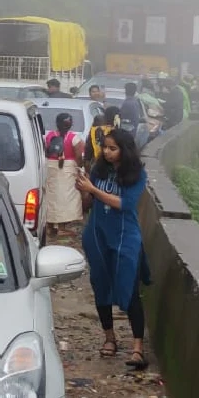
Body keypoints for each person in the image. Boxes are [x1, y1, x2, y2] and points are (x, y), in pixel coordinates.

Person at [76, 128, 150, 370]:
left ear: (124, 150)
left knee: (129, 290)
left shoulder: (137, 175)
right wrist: (84, 190)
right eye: (105, 147)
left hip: (125, 238)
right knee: (101, 286)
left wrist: (94, 190)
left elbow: (124, 204)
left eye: (112, 148)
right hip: (98, 235)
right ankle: (110, 338)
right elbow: (89, 204)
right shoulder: (99, 170)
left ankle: (137, 348)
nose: (106, 152)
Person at [43, 112, 83, 237]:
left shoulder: (49, 136)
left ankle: (50, 226)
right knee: (65, 198)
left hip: (50, 168)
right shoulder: (74, 138)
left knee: (51, 196)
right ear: (70, 124)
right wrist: (79, 168)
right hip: (67, 170)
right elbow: (79, 157)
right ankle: (61, 227)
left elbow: (45, 152)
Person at [84, 106, 119, 172]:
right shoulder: (118, 132)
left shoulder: (94, 130)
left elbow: (88, 150)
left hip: (97, 164)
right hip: (113, 165)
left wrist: (87, 170)